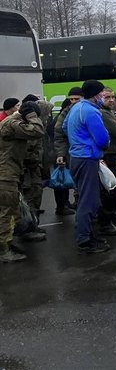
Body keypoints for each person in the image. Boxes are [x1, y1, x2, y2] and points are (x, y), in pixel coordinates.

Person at [63, 80, 111, 254]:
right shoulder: (91, 111)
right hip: (87, 159)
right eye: (102, 94)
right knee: (88, 201)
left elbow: (63, 126)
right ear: (96, 94)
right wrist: (93, 144)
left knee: (86, 198)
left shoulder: (75, 108)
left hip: (76, 157)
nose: (103, 97)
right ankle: (85, 240)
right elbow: (102, 139)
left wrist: (78, 140)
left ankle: (88, 234)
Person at [0, 101, 45, 262]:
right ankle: (3, 250)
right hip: (5, 175)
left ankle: (7, 243)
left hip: (10, 172)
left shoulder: (11, 123)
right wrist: (32, 115)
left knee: (11, 210)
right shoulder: (12, 123)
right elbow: (38, 131)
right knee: (6, 212)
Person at [18, 95, 54, 242]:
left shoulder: (42, 127)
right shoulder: (31, 129)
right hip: (28, 170)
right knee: (30, 198)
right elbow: (27, 151)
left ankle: (33, 224)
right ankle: (27, 229)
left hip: (36, 168)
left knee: (36, 195)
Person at [98, 87, 116, 236]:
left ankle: (110, 217)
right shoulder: (103, 114)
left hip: (113, 154)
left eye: (112, 97)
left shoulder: (110, 113)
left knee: (112, 190)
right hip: (108, 155)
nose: (111, 100)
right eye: (107, 97)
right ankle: (105, 223)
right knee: (111, 191)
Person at [54, 87, 84, 213]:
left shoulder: (87, 110)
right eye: (71, 99)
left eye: (76, 99)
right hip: (73, 153)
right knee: (77, 182)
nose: (73, 101)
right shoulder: (66, 113)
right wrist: (60, 153)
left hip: (87, 152)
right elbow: (59, 134)